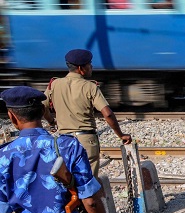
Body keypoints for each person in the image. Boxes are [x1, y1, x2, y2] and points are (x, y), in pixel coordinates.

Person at [44, 49, 132, 178]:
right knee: (88, 184)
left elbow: (42, 107)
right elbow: (107, 114)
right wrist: (121, 135)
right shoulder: (90, 87)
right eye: (89, 64)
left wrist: (52, 122)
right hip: (86, 141)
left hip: (64, 142)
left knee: (69, 182)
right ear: (81, 68)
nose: (92, 66)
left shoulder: (55, 84)